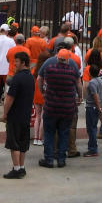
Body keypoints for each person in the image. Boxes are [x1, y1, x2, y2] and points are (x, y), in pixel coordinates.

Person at [38, 38, 82, 168]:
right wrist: (80, 97)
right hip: (67, 107)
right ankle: (62, 159)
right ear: (67, 58)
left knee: (49, 132)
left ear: (57, 56)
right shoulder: (72, 66)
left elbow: (39, 79)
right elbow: (78, 83)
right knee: (64, 132)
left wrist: (42, 93)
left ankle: (49, 159)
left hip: (51, 105)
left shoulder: (49, 65)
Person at [1, 48, 35, 179]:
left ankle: (16, 169)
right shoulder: (30, 77)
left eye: (16, 61)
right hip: (25, 115)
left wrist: (5, 114)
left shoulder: (17, 78)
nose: (14, 64)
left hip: (15, 115)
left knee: (13, 142)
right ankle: (21, 167)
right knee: (22, 143)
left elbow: (9, 98)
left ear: (23, 62)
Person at [84, 62, 102, 157]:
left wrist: (98, 107)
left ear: (89, 73)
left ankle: (93, 149)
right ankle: (92, 146)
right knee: (93, 127)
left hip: (91, 107)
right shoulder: (101, 81)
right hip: (98, 106)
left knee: (91, 128)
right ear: (98, 73)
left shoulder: (91, 83)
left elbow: (95, 96)